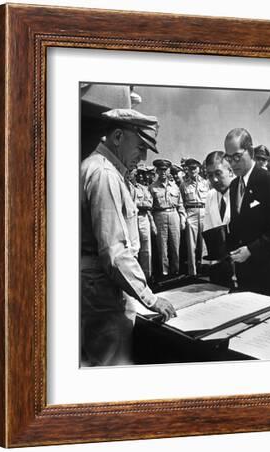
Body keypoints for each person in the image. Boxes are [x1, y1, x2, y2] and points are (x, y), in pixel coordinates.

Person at [80, 108, 176, 367]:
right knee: (112, 364)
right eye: (141, 148)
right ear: (119, 136)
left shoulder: (99, 168)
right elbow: (115, 252)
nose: (143, 159)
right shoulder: (105, 175)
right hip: (103, 288)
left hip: (99, 284)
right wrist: (151, 299)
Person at [224, 128, 270, 298]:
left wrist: (251, 250)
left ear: (251, 151)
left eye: (237, 156)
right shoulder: (233, 186)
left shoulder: (268, 181)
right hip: (244, 273)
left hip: (267, 272)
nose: (233, 163)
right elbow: (237, 225)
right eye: (229, 158)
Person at [149, 159, 186, 277]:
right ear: (157, 171)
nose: (163, 172)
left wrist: (182, 219)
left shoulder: (175, 187)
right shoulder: (152, 187)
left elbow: (180, 204)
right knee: (162, 247)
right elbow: (150, 209)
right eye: (160, 170)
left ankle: (176, 271)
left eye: (165, 170)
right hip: (159, 216)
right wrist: (152, 224)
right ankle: (164, 273)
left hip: (174, 215)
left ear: (169, 170)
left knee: (175, 245)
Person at [203, 150, 235, 287]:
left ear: (231, 171)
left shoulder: (242, 193)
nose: (214, 179)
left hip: (243, 264)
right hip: (220, 264)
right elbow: (208, 229)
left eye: (218, 173)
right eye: (210, 175)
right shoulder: (210, 196)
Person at [179, 158, 209, 276]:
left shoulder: (206, 183)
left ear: (199, 168)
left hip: (203, 212)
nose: (193, 171)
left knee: (204, 244)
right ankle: (193, 272)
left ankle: (204, 269)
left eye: (195, 168)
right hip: (191, 213)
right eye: (190, 168)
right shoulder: (183, 185)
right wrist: (184, 217)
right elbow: (180, 202)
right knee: (191, 245)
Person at [130, 167, 156, 280]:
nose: (139, 176)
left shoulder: (143, 189)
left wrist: (135, 204)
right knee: (133, 249)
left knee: (146, 249)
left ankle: (147, 276)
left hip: (143, 218)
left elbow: (149, 203)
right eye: (137, 174)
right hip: (131, 219)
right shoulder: (125, 186)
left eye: (141, 174)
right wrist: (140, 204)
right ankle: (135, 277)